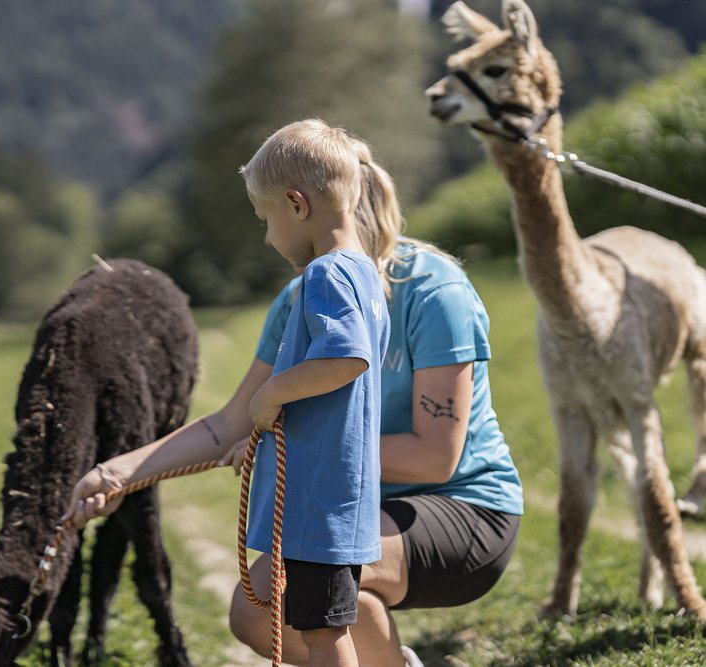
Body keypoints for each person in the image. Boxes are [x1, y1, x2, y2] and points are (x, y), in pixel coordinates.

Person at [64, 126, 523, 666]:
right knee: (256, 609)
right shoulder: (303, 293)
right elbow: (233, 421)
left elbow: (436, 457)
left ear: (296, 205)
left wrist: (280, 445)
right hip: (358, 502)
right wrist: (120, 473)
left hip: (463, 507)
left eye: (266, 221)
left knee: (299, 593)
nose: (266, 238)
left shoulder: (434, 292)